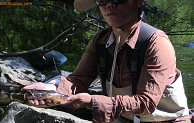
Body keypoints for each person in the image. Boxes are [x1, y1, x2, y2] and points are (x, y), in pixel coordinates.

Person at [23, 0, 192, 122]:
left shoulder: (157, 42)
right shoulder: (99, 42)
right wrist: (51, 88)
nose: (110, 4)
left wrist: (91, 101)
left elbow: (145, 102)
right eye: (102, 0)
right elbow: (78, 80)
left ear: (138, 2)